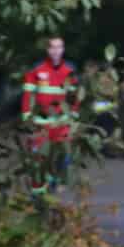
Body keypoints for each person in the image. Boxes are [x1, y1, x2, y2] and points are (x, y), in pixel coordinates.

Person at [20, 36, 77, 195]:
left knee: (63, 155)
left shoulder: (70, 70)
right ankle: (37, 192)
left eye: (59, 47)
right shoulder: (36, 70)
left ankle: (56, 181)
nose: (56, 51)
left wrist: (74, 115)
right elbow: (28, 94)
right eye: (53, 47)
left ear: (63, 49)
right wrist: (26, 117)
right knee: (38, 158)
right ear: (48, 50)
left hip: (62, 123)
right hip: (41, 122)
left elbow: (74, 96)